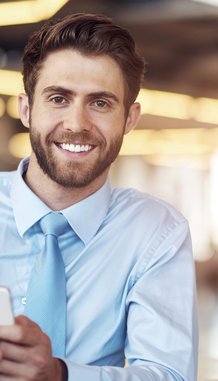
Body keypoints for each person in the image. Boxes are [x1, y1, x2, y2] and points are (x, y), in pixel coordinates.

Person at [0, 13, 198, 381]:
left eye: (100, 103)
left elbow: (169, 375)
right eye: (58, 98)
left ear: (129, 119)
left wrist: (59, 375)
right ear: (26, 109)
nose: (77, 123)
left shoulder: (156, 232)